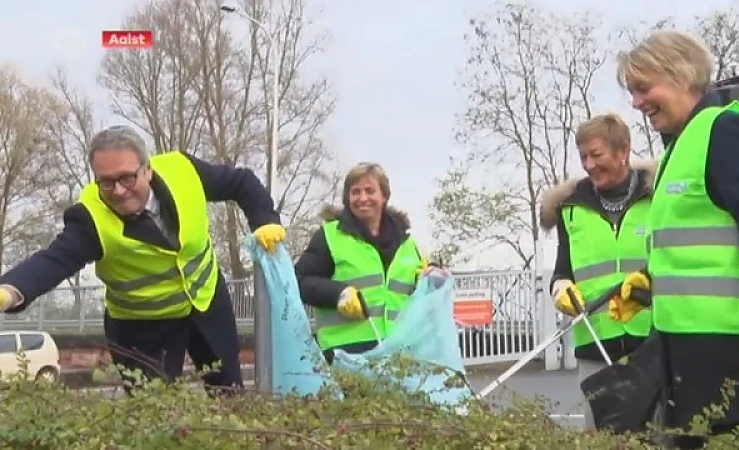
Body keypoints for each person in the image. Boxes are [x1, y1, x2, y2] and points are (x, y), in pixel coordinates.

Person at [614, 30, 739, 447]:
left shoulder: (728, 130)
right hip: (684, 352)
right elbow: (701, 238)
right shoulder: (682, 145)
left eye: (643, 88)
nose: (636, 102)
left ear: (680, 76)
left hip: (730, 354)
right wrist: (650, 280)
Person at [0, 125, 286, 393]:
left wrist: (264, 221)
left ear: (147, 169)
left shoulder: (183, 171)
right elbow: (55, 259)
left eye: (127, 178)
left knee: (230, 393)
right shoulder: (89, 217)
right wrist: (11, 290)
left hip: (207, 301)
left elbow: (241, 183)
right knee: (154, 413)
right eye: (107, 183)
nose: (119, 191)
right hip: (142, 327)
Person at [540, 113, 655, 431]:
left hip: (651, 342)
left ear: (623, 152)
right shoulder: (570, 208)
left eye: (597, 154)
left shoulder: (657, 199)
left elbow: (671, 259)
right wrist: (560, 288)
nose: (589, 165)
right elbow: (563, 270)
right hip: (595, 343)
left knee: (658, 435)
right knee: (599, 437)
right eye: (583, 157)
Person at [294, 162, 432, 364]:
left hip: (400, 353)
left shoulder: (409, 245)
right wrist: (337, 294)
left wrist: (431, 277)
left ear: (384, 196)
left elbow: (418, 296)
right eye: (355, 192)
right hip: (345, 355)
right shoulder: (330, 236)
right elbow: (300, 281)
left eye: (370, 191)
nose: (362, 198)